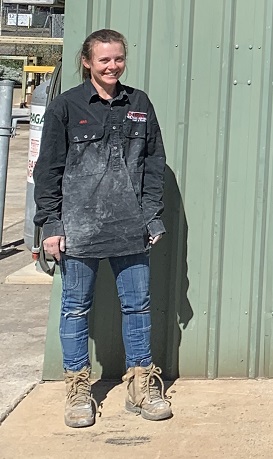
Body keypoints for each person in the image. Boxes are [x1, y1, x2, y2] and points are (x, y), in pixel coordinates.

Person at [33, 29, 172, 428]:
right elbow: (49, 171)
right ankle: (78, 388)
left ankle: (142, 384)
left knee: (138, 307)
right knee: (75, 309)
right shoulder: (66, 106)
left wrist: (151, 215)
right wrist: (52, 225)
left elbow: (153, 165)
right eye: (104, 60)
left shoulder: (139, 104)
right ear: (87, 62)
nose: (112, 66)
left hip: (131, 228)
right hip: (79, 230)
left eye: (118, 59)